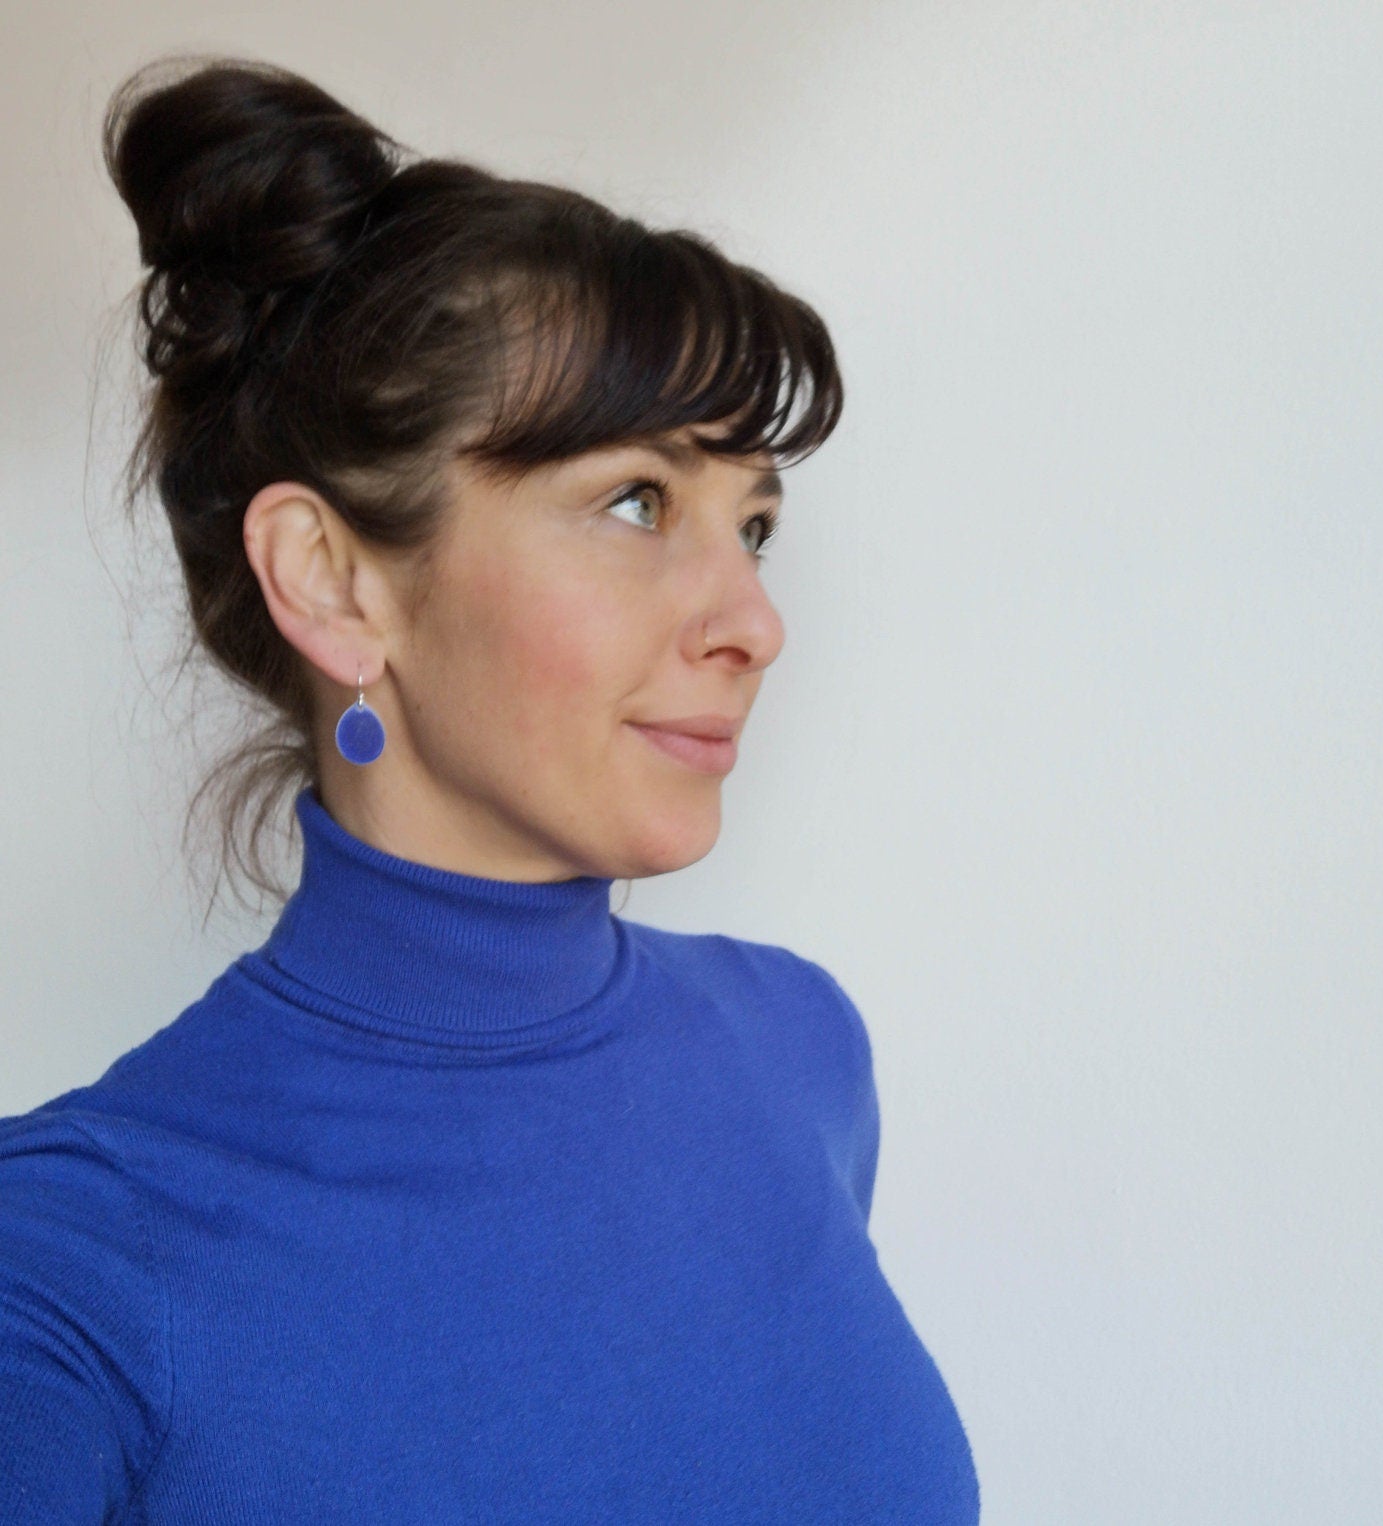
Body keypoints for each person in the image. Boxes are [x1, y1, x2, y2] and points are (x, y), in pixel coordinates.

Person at [0, 55, 981, 1523]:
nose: (755, 622)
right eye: (637, 500)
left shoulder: (799, 1049)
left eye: (755, 526)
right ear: (332, 584)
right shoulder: (64, 1270)